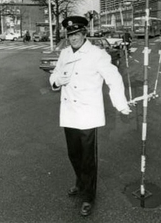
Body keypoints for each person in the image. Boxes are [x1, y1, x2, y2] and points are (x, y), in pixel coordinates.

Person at [49, 16, 131, 217]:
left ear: (84, 33)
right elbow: (54, 75)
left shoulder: (97, 54)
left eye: (76, 34)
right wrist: (58, 80)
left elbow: (113, 78)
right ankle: (80, 181)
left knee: (88, 159)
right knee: (73, 154)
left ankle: (88, 196)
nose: (73, 38)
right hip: (69, 113)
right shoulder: (64, 53)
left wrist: (120, 104)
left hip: (87, 114)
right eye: (70, 35)